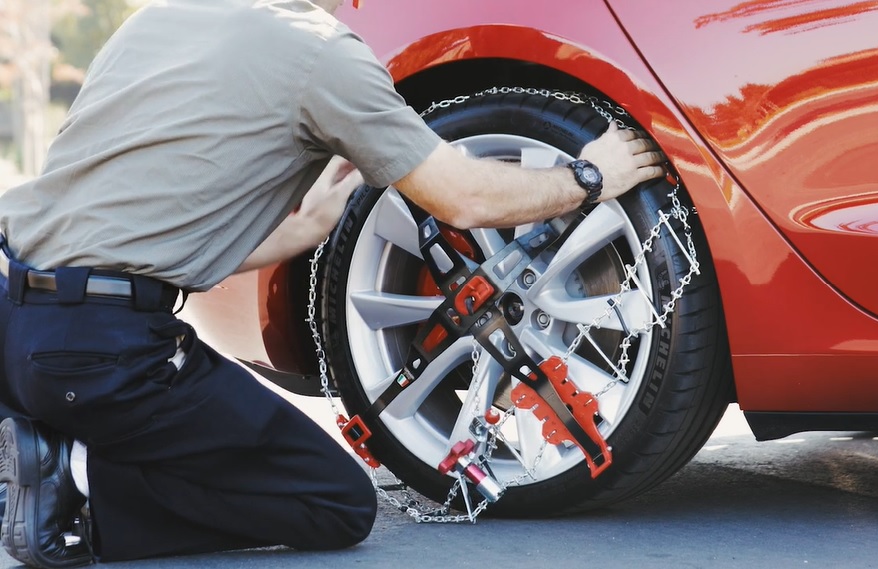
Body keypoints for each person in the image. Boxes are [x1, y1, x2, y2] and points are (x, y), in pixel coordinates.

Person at [0, 0, 667, 566]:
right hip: (101, 353)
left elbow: (125, 231)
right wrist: (589, 178)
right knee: (334, 503)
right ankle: (77, 483)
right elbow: (462, 198)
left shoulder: (162, 16)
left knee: (123, 389)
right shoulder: (321, 55)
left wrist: (296, 234)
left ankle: (42, 437)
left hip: (18, 316)